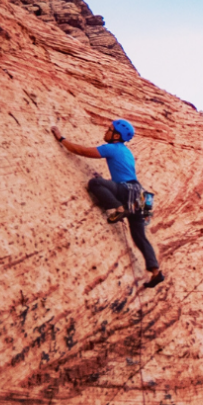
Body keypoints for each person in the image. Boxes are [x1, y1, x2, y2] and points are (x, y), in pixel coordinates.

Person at [51, 119, 165, 288]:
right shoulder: (127, 152)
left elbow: (80, 151)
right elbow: (123, 175)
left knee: (95, 183)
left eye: (109, 129)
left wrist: (61, 138)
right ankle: (155, 271)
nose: (106, 131)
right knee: (140, 237)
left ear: (116, 135)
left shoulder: (112, 148)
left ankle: (118, 208)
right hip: (140, 195)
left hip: (126, 191)